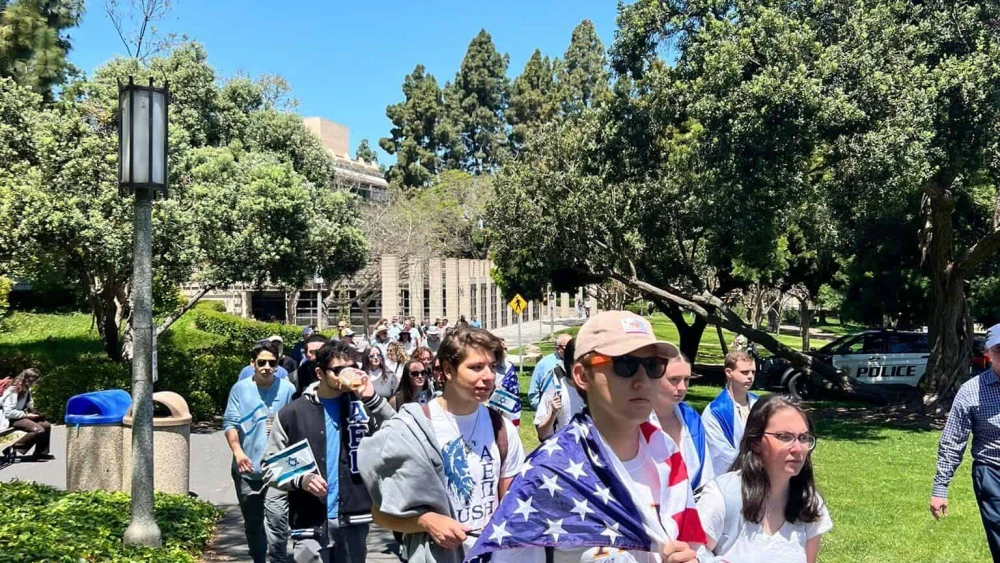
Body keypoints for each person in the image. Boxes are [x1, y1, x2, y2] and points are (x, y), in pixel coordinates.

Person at [466, 310, 704, 562]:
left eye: (654, 366)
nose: (642, 380)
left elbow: (693, 546)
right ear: (582, 376)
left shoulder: (666, 454)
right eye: (625, 365)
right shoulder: (549, 472)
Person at [358, 325, 526, 563]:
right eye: (476, 367)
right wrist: (427, 521)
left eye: (492, 366)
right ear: (447, 370)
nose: (489, 376)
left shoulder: (502, 429)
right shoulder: (412, 429)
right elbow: (380, 513)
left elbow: (511, 507)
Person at [263, 340, 394, 563]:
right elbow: (269, 466)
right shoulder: (292, 413)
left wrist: (373, 399)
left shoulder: (363, 408)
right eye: (338, 369)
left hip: (353, 516)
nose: (346, 374)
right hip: (309, 520)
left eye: (352, 368)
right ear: (320, 373)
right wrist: (301, 479)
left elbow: (400, 434)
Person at [696, 394, 832, 562]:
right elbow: (691, 552)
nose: (798, 449)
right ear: (755, 442)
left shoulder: (810, 503)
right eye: (785, 437)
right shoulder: (723, 497)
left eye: (803, 438)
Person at [223, 340, 297, 563]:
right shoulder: (240, 389)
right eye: (261, 362)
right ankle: (258, 558)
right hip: (248, 467)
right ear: (252, 363)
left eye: (271, 363)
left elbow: (297, 425)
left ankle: (278, 559)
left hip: (279, 466)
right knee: (254, 523)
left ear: (277, 364)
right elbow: (230, 423)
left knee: (278, 520)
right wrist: (238, 452)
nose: (266, 367)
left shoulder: (288, 389)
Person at [932, 323, 1000, 559]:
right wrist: (940, 488)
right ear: (988, 354)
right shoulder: (970, 392)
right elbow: (952, 441)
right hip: (992, 474)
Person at [650, 354, 714, 493]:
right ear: (654, 379)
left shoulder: (691, 418)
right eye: (674, 379)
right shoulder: (637, 422)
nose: (682, 387)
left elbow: (706, 476)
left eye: (686, 379)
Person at [702, 351, 759, 476]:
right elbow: (720, 456)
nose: (750, 376)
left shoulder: (759, 404)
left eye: (753, 372)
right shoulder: (715, 412)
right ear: (729, 373)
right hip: (731, 477)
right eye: (744, 372)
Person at [533, 337, 585, 441]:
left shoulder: (596, 391)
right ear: (569, 364)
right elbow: (542, 434)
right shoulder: (555, 389)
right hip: (564, 447)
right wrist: (553, 414)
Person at [1, 368, 53, 462]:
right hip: (9, 418)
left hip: (19, 416)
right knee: (38, 430)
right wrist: (26, 415)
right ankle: (12, 448)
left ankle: (40, 453)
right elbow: (8, 412)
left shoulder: (26, 388)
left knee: (46, 425)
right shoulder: (14, 390)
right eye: (36, 380)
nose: (37, 383)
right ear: (30, 379)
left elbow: (28, 404)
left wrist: (35, 412)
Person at [527, 333, 572, 408]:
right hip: (550, 410)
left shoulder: (577, 362)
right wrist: (543, 410)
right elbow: (533, 392)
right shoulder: (544, 364)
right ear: (559, 348)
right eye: (569, 347)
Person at [489, 339, 522, 427]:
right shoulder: (487, 367)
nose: (505, 352)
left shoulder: (509, 367)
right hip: (488, 409)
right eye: (501, 349)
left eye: (506, 349)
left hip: (508, 409)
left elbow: (513, 389)